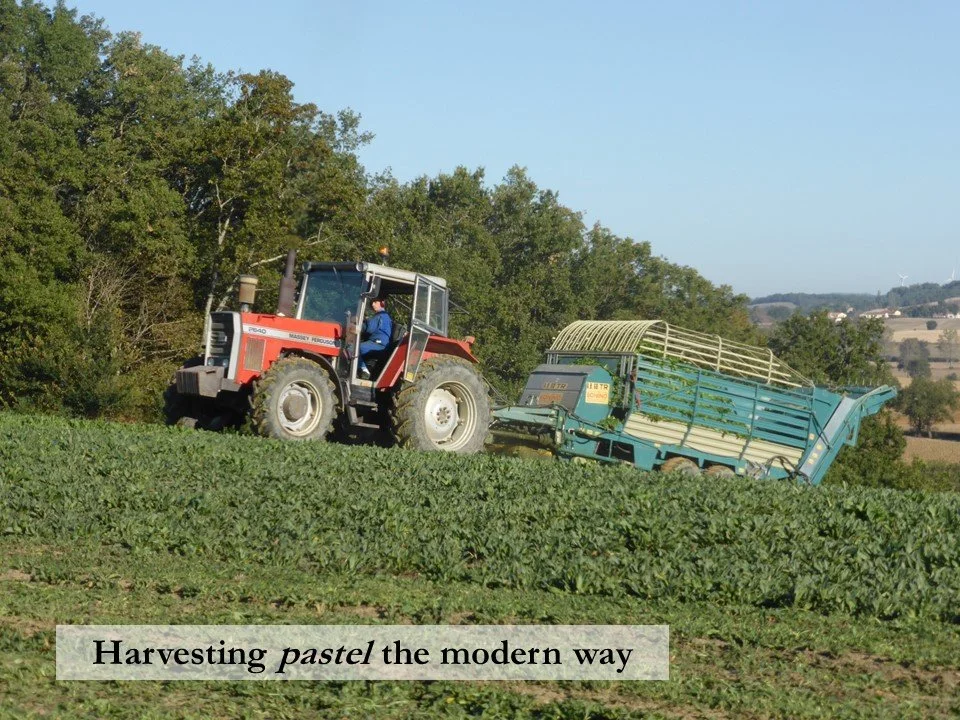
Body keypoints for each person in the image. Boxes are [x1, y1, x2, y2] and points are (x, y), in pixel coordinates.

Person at [357, 296, 393, 378]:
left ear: (382, 303)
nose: (373, 304)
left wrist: (360, 324)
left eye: (375, 302)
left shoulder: (381, 316)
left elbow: (369, 328)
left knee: (354, 348)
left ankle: (364, 371)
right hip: (376, 342)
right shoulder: (382, 316)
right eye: (372, 303)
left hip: (378, 344)